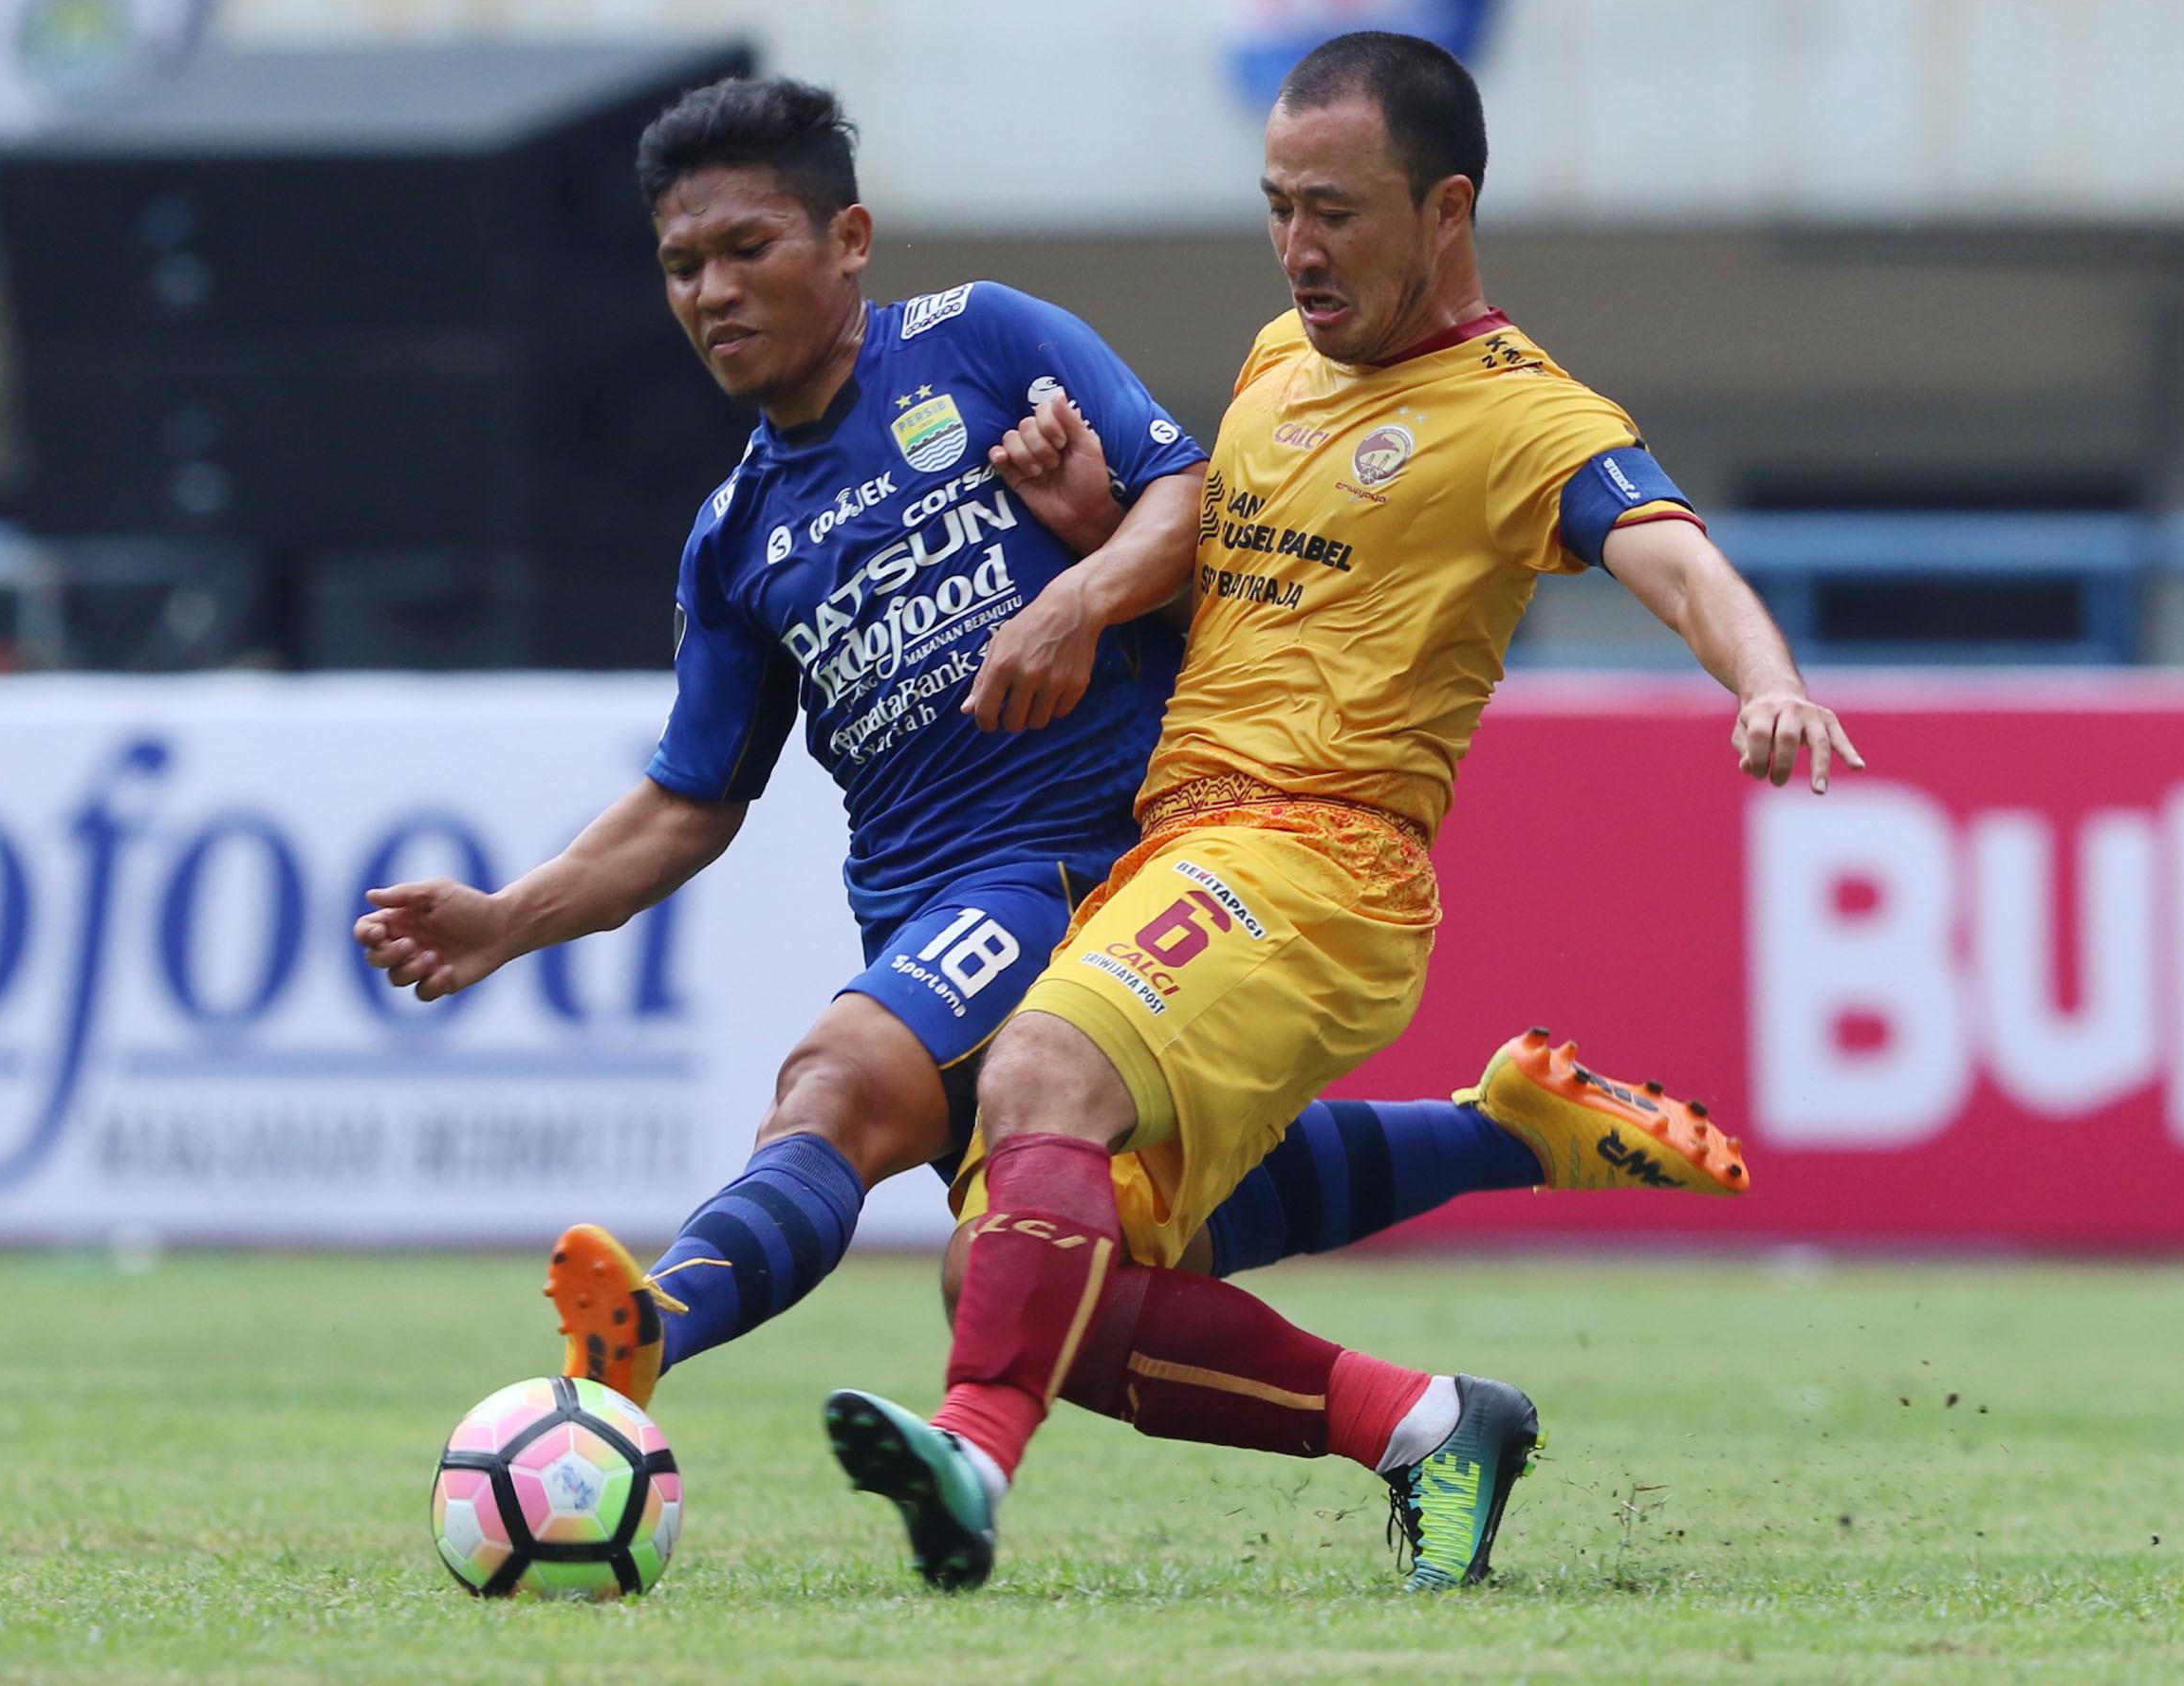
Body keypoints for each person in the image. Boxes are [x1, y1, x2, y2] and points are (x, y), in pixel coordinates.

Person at [349, 79, 1751, 1415]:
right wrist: (504, 921)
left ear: (847, 241)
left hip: (1079, 865)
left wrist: (1076, 597)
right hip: (918, 905)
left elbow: (1183, 492)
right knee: (1118, 1250)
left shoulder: (982, 338)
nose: (711, 292)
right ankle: (1464, 1298)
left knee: (833, 1087)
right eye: (679, 267)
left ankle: (659, 1321)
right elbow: (688, 803)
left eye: (743, 247)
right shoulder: (734, 539)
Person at [820, 33, 1862, 1594]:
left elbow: (1668, 547)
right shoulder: (1269, 361)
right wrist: (1094, 529)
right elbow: (1240, 587)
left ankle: (971, 1450)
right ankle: (1433, 1414)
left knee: (1037, 1068)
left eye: (1337, 211)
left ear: (1444, 209)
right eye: (1276, 207)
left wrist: (1762, 676)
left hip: (1320, 857)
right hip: (1175, 846)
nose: (1300, 249)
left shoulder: (1522, 414)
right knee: (1024, 1275)